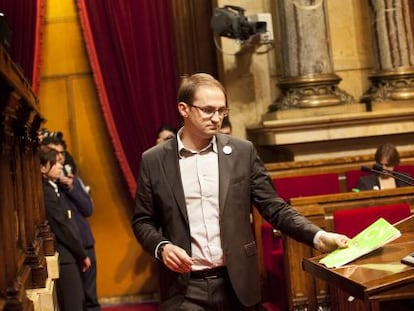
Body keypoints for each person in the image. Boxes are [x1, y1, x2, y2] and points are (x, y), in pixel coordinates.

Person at [131, 73, 349, 310]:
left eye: (222, 111)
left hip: (236, 285)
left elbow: (274, 208)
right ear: (184, 109)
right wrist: (162, 247)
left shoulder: (242, 152)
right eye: (207, 110)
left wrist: (318, 236)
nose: (216, 118)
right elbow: (143, 221)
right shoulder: (154, 160)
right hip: (183, 290)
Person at [41, 134, 101, 311]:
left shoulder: (72, 180)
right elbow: (60, 223)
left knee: (90, 299)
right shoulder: (48, 187)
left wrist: (71, 186)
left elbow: (88, 209)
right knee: (74, 300)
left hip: (85, 242)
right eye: (54, 154)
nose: (59, 159)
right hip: (67, 249)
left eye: (61, 154)